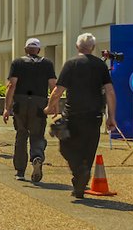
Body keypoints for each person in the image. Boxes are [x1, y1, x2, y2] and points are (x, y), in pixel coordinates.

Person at [45, 33, 116, 199]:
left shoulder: (71, 63)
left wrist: (50, 106)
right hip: (94, 116)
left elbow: (58, 90)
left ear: (77, 47)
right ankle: (80, 183)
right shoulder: (100, 65)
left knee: (66, 147)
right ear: (92, 47)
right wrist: (111, 117)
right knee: (88, 150)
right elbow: (110, 91)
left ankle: (79, 173)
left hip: (73, 114)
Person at [3, 38, 57, 182]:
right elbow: (53, 86)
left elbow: (11, 85)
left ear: (26, 49)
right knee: (37, 134)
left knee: (21, 135)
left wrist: (6, 108)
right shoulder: (47, 63)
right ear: (38, 50)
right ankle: (37, 156)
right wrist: (54, 105)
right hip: (39, 103)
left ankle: (20, 172)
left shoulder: (18, 63)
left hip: (20, 102)